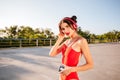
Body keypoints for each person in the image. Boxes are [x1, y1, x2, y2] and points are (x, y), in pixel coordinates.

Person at [49, 15, 93, 80]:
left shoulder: (81, 41)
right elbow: (51, 54)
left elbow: (90, 65)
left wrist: (71, 69)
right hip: (62, 77)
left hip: (72, 77)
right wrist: (59, 39)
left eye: (67, 26)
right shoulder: (66, 41)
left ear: (74, 25)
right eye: (63, 29)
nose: (65, 30)